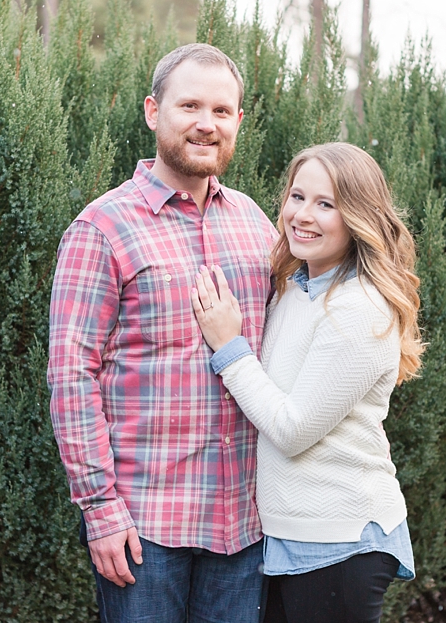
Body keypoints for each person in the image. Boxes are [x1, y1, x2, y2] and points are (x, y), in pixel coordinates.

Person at [47, 43, 278, 622]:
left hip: (244, 527)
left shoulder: (256, 224)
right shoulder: (101, 228)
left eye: (222, 112)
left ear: (239, 123)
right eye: (190, 106)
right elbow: (72, 376)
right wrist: (100, 509)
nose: (207, 124)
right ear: (154, 112)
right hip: (145, 530)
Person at [190, 142, 425, 623]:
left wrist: (228, 347)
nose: (303, 215)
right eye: (297, 197)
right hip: (291, 538)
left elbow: (293, 429)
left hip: (341, 542)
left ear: (358, 216)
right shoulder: (296, 288)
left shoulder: (359, 308)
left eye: (326, 204)